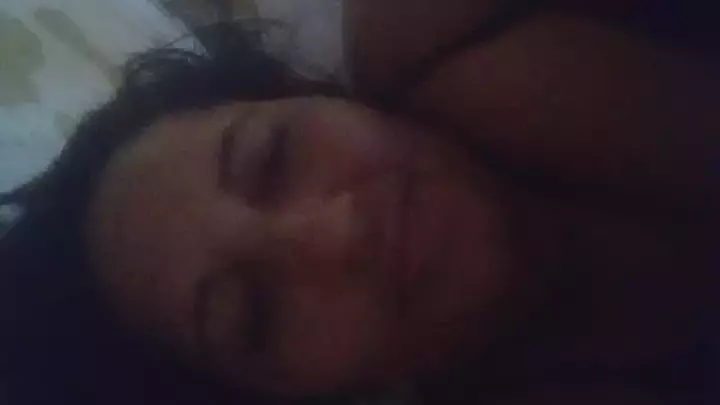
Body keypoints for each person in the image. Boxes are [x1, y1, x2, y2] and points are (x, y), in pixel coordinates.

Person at [1, 1, 718, 404]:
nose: (337, 230)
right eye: (257, 315)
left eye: (273, 157)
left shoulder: (453, 31)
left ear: (319, 94)